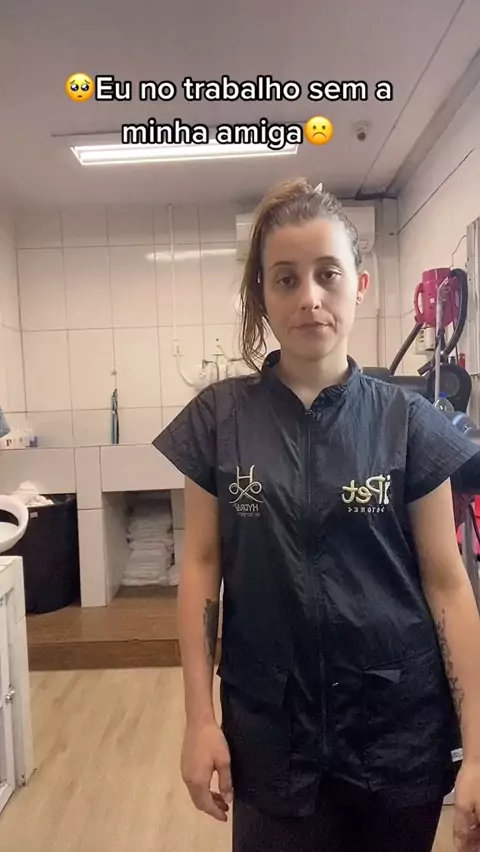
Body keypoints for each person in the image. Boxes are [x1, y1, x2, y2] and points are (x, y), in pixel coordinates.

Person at [153, 177, 480, 852]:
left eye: (328, 274)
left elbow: (448, 584)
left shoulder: (407, 423)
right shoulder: (219, 422)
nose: (309, 297)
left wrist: (478, 746)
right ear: (262, 295)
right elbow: (202, 568)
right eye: (286, 278)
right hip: (272, 738)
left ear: (360, 286)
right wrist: (198, 721)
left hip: (397, 737)